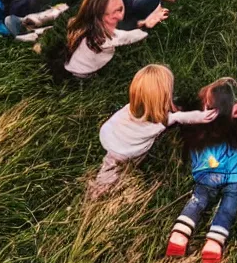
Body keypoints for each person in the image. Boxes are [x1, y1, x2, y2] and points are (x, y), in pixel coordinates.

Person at [165, 77, 237, 263]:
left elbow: (182, 118)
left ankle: (179, 235)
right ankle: (214, 242)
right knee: (229, 205)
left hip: (206, 174)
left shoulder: (198, 125)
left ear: (206, 106)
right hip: (233, 175)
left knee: (198, 200)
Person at [85, 64, 217, 199]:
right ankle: (100, 191)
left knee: (114, 164)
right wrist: (204, 116)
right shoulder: (160, 121)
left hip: (112, 137)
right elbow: (183, 117)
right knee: (114, 167)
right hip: (123, 151)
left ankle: (107, 183)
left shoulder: (129, 108)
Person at [64, 0, 178, 77]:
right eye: (116, 12)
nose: (119, 15)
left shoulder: (82, 22)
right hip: (83, 70)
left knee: (121, 0)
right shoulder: (102, 37)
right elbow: (128, 38)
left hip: (73, 63)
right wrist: (148, 24)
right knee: (131, 17)